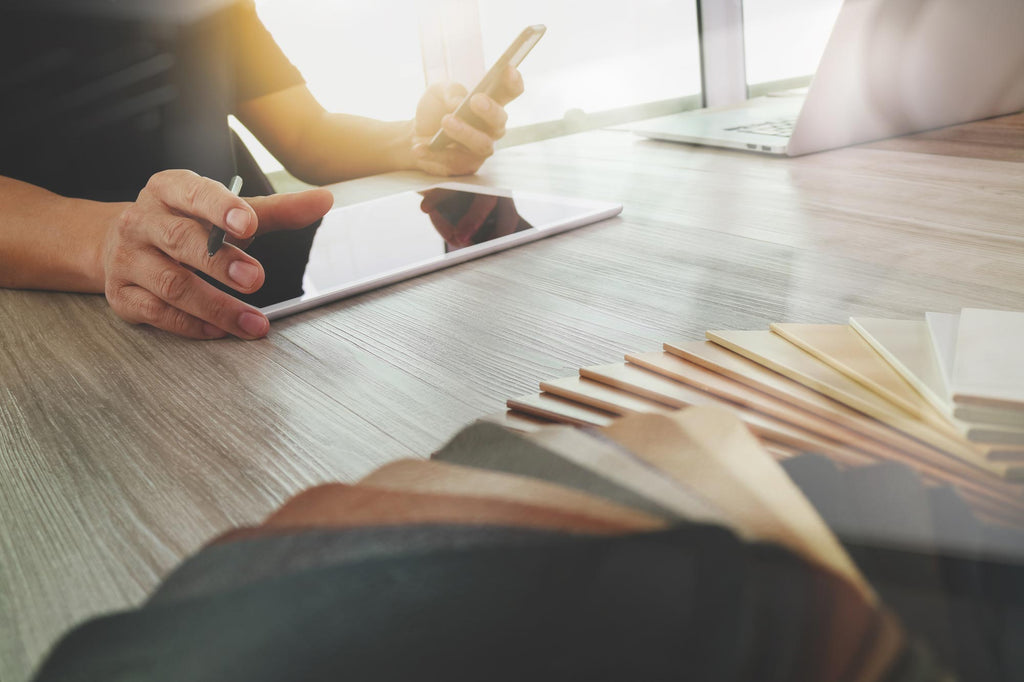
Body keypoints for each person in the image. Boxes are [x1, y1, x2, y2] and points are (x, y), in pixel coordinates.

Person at [0, 0, 524, 340]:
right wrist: (106, 243)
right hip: (69, 321)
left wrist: (414, 142)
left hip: (270, 293)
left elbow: (306, 134)